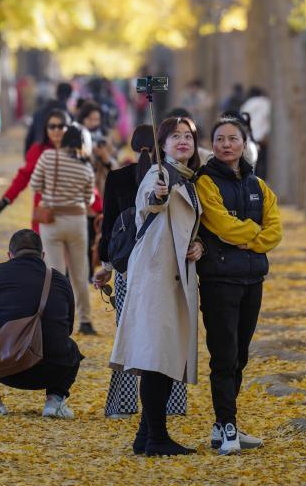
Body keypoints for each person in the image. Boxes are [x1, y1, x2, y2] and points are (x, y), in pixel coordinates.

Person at [110, 116, 203, 457]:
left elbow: (189, 230)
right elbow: (153, 201)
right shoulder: (159, 175)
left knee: (161, 355)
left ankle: (145, 434)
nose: (182, 141)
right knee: (156, 358)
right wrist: (157, 195)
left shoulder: (190, 177)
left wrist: (200, 246)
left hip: (171, 277)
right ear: (161, 145)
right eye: (174, 136)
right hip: (156, 277)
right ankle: (157, 437)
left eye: (188, 137)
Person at [195, 116, 282, 455]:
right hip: (219, 281)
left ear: (244, 144)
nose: (226, 145)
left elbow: (276, 229)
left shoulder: (257, 184)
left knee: (241, 355)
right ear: (213, 145)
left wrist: (255, 241)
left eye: (233, 139)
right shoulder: (206, 181)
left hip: (252, 279)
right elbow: (220, 225)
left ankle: (222, 424)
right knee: (224, 355)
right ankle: (228, 425)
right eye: (220, 139)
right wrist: (254, 235)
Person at [94, 124, 187, 419]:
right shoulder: (173, 178)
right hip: (166, 267)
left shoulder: (119, 178)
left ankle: (122, 404)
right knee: (167, 335)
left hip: (128, 268)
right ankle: (172, 404)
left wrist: (106, 266)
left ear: (134, 146)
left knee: (130, 333)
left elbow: (109, 227)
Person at [0, 229, 82, 418]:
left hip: (3, 364)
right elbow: (68, 328)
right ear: (43, 255)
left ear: (9, 255)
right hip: (53, 369)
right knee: (72, 348)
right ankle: (55, 401)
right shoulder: (60, 280)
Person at [30, 125, 96, 335]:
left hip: (52, 222)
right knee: (80, 273)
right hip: (77, 221)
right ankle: (85, 320)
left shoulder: (48, 157)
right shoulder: (86, 167)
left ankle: (58, 320)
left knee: (56, 274)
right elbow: (89, 199)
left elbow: (34, 185)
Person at [0, 108, 67, 232]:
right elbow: (23, 177)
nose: (56, 130)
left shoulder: (75, 151)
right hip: (44, 212)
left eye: (61, 126)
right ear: (46, 129)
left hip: (70, 213)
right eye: (52, 126)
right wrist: (6, 200)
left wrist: (99, 209)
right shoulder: (38, 150)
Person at [23, 82, 72, 155]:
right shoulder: (68, 115)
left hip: (38, 152)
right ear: (70, 95)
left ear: (56, 92)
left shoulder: (39, 111)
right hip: (60, 155)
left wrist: (27, 155)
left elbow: (30, 137)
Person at [241, 87, 271, 178]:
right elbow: (267, 119)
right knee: (263, 160)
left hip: (250, 137)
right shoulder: (266, 102)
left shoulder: (247, 104)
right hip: (262, 136)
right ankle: (262, 180)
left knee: (252, 159)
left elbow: (243, 120)